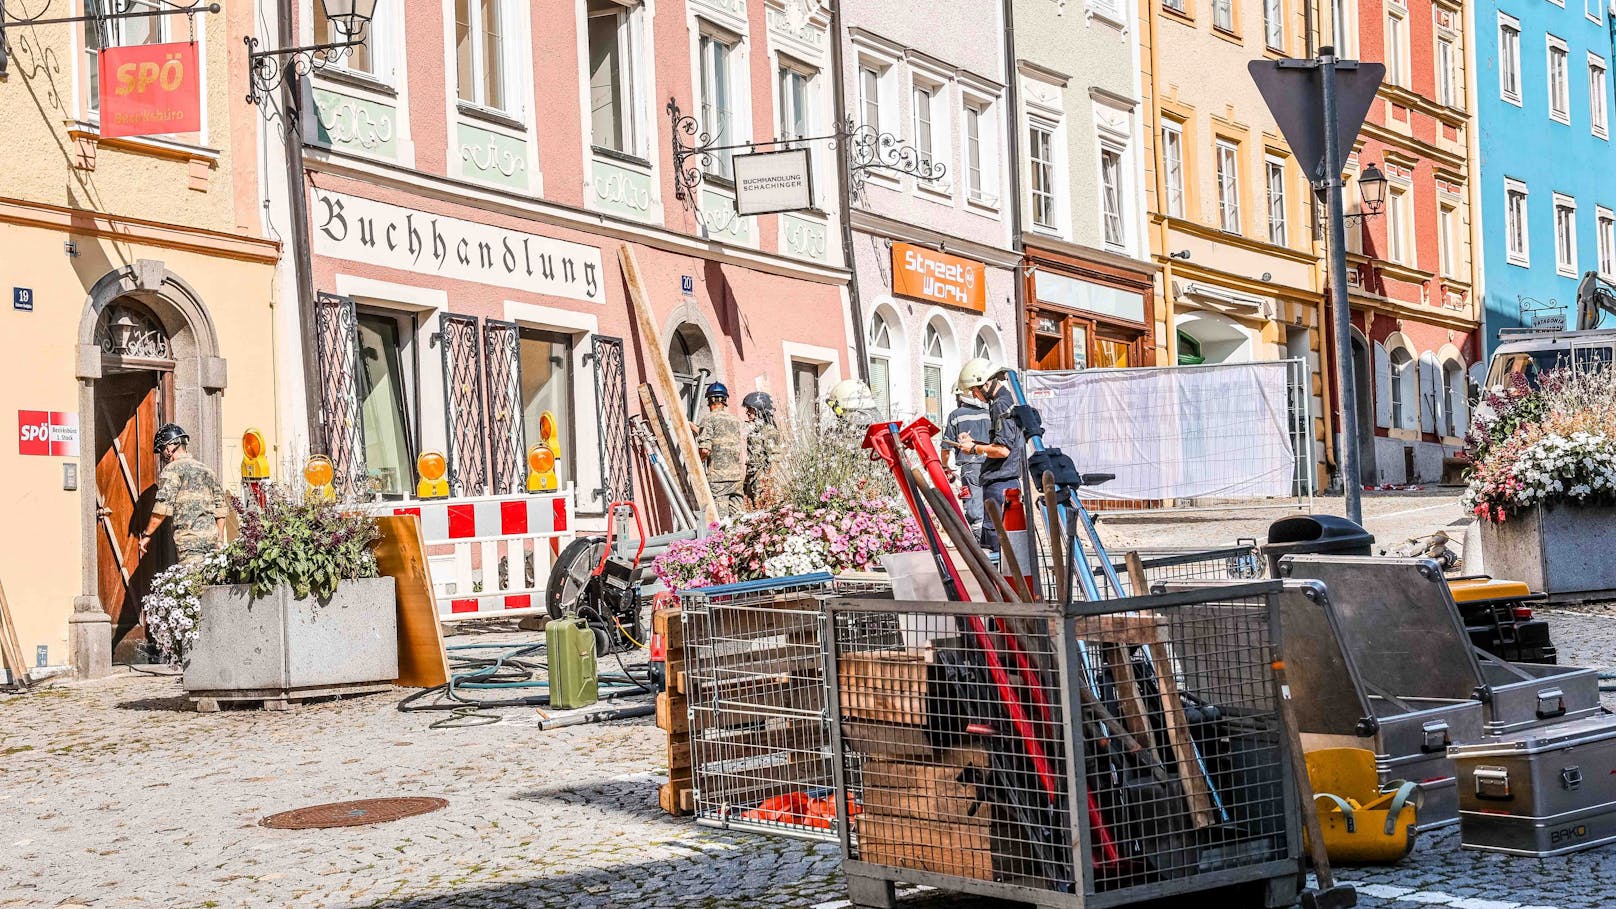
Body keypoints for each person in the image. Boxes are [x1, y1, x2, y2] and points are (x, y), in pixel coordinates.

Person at [953, 359, 1023, 553]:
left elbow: (1002, 450)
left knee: (998, 546)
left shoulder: (1001, 405)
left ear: (985, 382)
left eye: (974, 390)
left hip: (1000, 484)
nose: (974, 395)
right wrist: (975, 443)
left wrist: (975, 449)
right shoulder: (1001, 402)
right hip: (1002, 483)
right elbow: (1001, 444)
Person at [137, 423, 228, 567]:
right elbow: (221, 507)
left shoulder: (172, 469)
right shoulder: (207, 470)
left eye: (162, 449)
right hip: (213, 541)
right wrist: (220, 539)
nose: (162, 454)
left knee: (193, 585)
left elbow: (163, 506)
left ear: (171, 446)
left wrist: (147, 535)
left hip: (189, 542)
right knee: (210, 583)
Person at [941, 383, 991, 543]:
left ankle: (979, 541)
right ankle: (993, 538)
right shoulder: (989, 412)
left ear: (959, 396)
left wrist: (944, 466)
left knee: (973, 505)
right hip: (991, 463)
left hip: (970, 468)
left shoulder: (956, 415)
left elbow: (946, 446)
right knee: (990, 501)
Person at [696, 382, 747, 519]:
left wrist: (697, 463)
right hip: (736, 477)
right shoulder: (734, 420)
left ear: (709, 400)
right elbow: (723, 438)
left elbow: (705, 450)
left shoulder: (708, 419)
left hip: (719, 480)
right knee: (739, 520)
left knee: (721, 523)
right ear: (725, 400)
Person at [742, 391, 781, 508]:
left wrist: (767, 483)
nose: (747, 412)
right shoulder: (754, 431)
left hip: (763, 481)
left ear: (759, 409)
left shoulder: (769, 431)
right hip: (752, 479)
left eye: (750, 409)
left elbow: (775, 458)